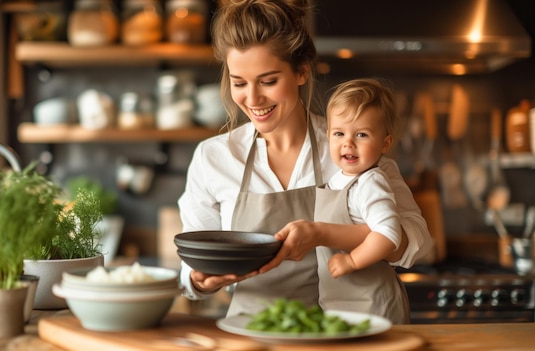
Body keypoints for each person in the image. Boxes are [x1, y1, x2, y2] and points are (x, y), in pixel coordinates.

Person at [177, 0, 432, 320]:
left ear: (301, 71)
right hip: (256, 332)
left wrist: (328, 234)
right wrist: (199, 280)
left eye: (268, 81)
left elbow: (417, 243)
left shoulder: (348, 146)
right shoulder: (214, 157)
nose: (252, 99)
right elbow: (191, 265)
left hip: (348, 330)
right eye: (239, 82)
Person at [313, 78, 410, 323]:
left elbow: (389, 234)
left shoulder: (371, 182)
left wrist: (352, 259)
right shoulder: (337, 180)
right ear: (328, 136)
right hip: (342, 304)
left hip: (374, 306)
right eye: (339, 133)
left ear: (385, 143)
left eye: (361, 134)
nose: (348, 143)